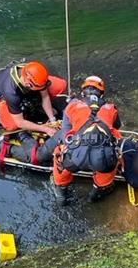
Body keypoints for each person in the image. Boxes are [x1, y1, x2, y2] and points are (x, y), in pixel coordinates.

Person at [49, 75, 122, 204]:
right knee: (114, 152)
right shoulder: (111, 108)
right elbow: (116, 127)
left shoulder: (72, 105)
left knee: (60, 153)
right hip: (103, 160)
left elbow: (65, 133)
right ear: (101, 94)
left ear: (83, 91)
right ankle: (96, 193)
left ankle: (61, 193)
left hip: (76, 158)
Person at [0, 61, 68, 137]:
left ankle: (37, 103)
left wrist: (52, 119)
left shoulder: (31, 71)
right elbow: (20, 122)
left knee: (61, 85)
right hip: (5, 96)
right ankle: (1, 109)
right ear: (29, 85)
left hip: (30, 86)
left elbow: (45, 96)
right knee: (11, 125)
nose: (44, 88)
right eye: (41, 87)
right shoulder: (12, 94)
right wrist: (46, 129)